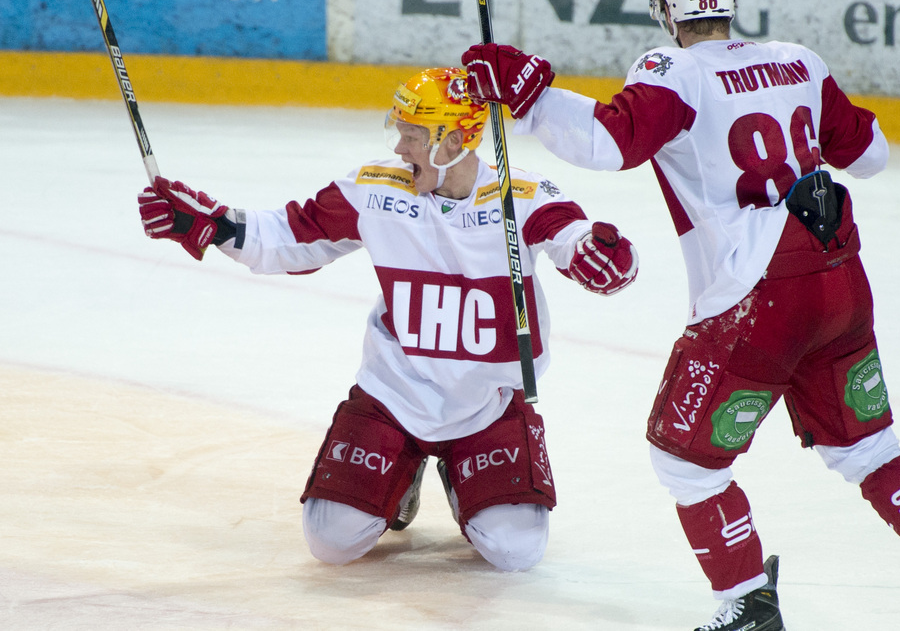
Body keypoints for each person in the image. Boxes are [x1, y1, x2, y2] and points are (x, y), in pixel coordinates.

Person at [460, 0, 900, 629]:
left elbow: (611, 142)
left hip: (757, 298)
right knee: (868, 447)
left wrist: (530, 95)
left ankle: (747, 600)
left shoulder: (676, 69)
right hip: (840, 280)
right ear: (728, 2)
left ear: (666, 10)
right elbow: (871, 153)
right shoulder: (799, 62)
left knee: (683, 458)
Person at [136, 67, 639, 572]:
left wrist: (603, 259)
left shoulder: (523, 196)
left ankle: (460, 477)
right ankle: (403, 475)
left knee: (515, 551)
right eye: (399, 131)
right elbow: (289, 235)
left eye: (414, 135)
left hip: (488, 404)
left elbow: (575, 238)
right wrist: (213, 224)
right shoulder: (375, 188)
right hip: (393, 397)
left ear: (456, 140)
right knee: (331, 542)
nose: (401, 148)